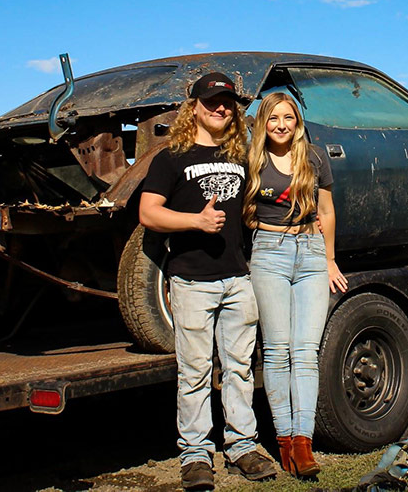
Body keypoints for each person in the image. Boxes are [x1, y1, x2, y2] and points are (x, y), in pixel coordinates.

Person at [138, 72, 277, 491]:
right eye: (212, 101)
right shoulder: (170, 157)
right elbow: (148, 213)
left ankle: (242, 446)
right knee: (195, 372)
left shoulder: (240, 156)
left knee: (239, 370)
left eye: (228, 103)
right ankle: (196, 455)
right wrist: (195, 221)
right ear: (194, 107)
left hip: (238, 279)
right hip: (192, 281)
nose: (221, 108)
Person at [243, 92, 348, 477]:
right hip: (269, 254)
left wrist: (329, 259)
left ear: (297, 121)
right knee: (276, 350)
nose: (281, 125)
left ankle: (303, 444)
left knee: (305, 351)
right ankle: (283, 439)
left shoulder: (315, 156)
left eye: (288, 117)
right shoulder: (252, 159)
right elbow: (243, 211)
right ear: (263, 124)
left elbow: (327, 211)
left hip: (311, 252)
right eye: (273, 119)